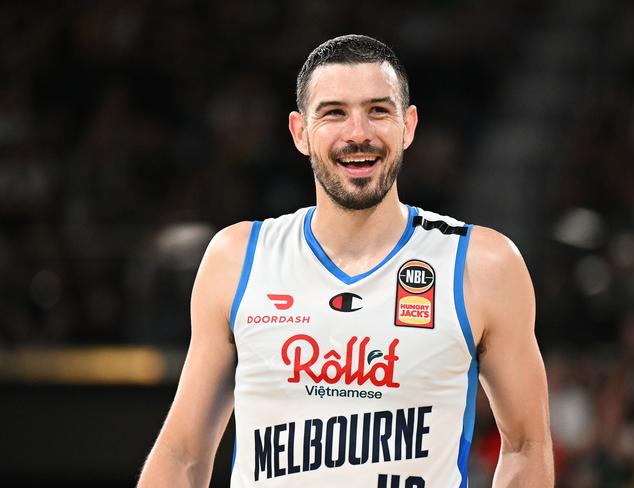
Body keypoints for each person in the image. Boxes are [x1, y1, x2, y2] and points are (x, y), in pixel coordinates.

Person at [138, 34, 553, 487]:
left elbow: (527, 446)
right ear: (300, 132)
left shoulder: (483, 264)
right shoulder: (237, 259)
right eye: (334, 112)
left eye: (378, 110)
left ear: (408, 125)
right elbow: (183, 455)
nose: (358, 133)